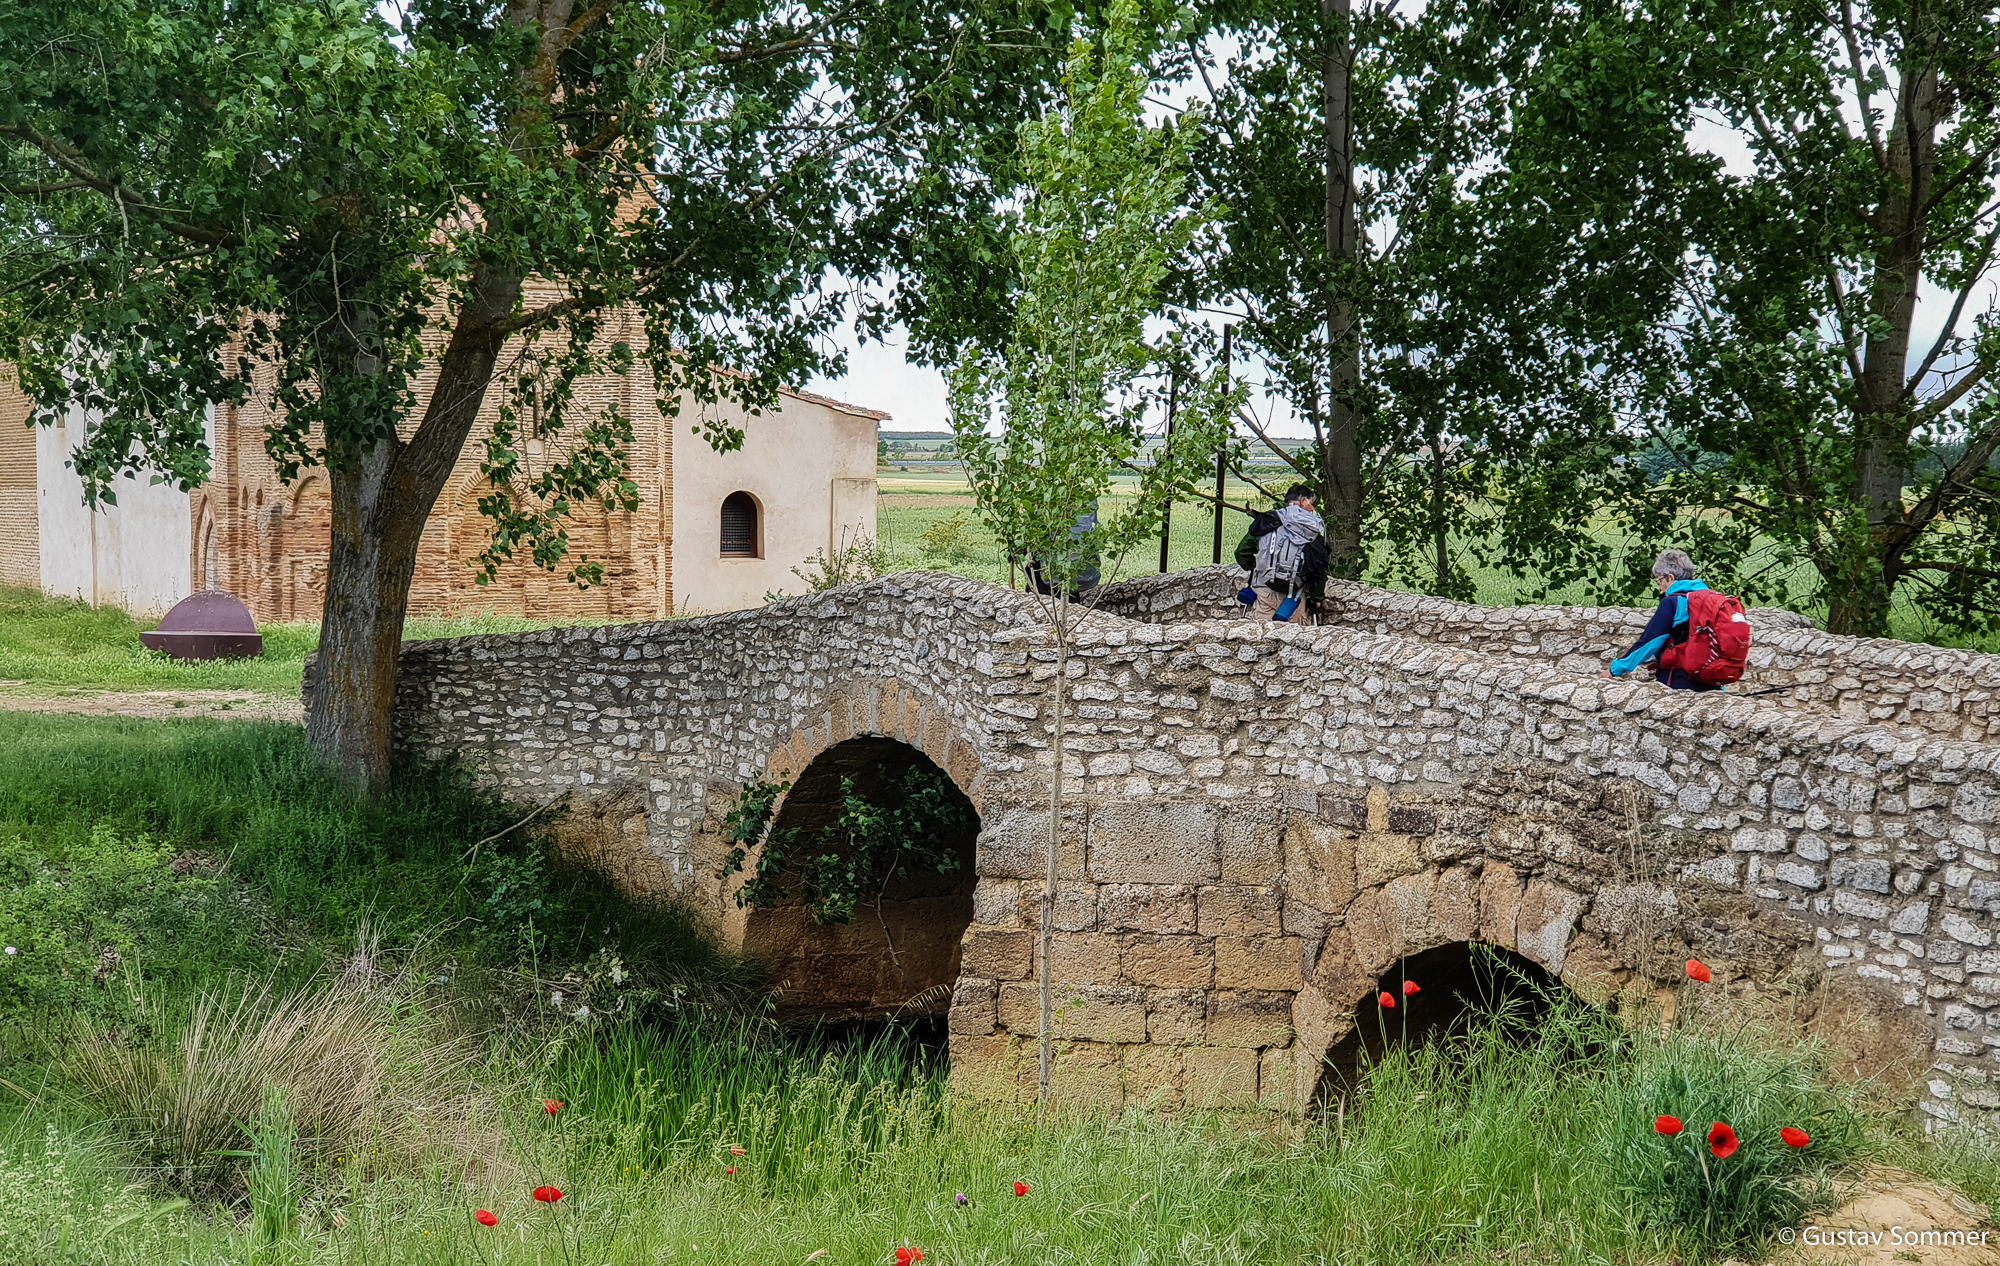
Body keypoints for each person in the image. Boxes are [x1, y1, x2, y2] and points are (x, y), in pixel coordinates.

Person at [1605, 549, 1724, 691]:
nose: (1659, 586)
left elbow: (1650, 641)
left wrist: (1615, 670)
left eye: (1659, 580)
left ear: (1671, 578)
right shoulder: (1714, 599)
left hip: (1679, 680)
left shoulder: (1674, 602)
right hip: (1713, 681)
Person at [1233, 484, 1329, 624]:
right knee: (1293, 641)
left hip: (1265, 589)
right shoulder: (1310, 530)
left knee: (1262, 636)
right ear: (1303, 501)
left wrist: (1257, 566)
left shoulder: (1268, 521)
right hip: (1295, 596)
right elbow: (1320, 567)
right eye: (1311, 504)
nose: (1312, 509)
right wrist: (1317, 597)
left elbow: (1241, 552)